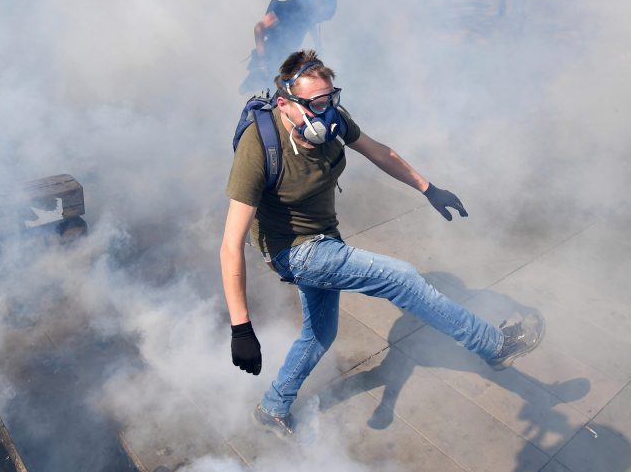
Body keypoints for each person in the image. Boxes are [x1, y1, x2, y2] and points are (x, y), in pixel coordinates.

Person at [220, 50, 546, 438]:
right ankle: (494, 345)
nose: (325, 113)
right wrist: (241, 328)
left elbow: (379, 152)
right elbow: (229, 246)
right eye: (314, 104)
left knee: (319, 335)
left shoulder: (333, 119)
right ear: (285, 103)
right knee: (403, 278)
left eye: (330, 100)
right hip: (296, 251)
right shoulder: (260, 146)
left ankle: (272, 408)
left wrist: (428, 188)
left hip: (326, 237)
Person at [240, 0, 338, 94]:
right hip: (268, 62)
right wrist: (262, 61)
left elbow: (310, 23)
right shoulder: (291, 7)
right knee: (252, 94)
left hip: (283, 63)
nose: (319, 20)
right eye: (321, 17)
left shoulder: (307, 12)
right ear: (318, 5)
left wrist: (317, 42)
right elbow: (259, 28)